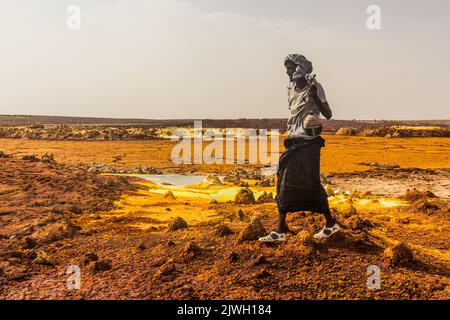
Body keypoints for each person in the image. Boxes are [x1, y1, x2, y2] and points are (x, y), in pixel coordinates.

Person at [259, 54, 341, 242]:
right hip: (294, 139)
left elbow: (327, 114)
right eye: (286, 68)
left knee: (306, 182)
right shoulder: (290, 89)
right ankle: (284, 227)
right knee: (283, 180)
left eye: (290, 68)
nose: (287, 72)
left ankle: (325, 224)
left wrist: (314, 98)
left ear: (300, 69)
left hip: (309, 143)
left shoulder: (315, 87)